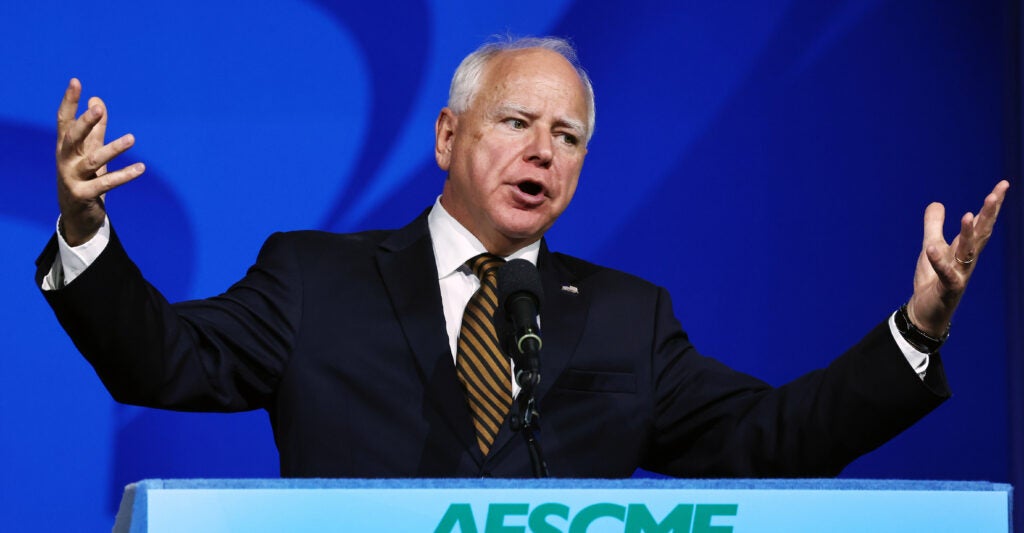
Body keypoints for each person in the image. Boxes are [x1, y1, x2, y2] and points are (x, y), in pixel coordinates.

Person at [38, 37, 1009, 478]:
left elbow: (771, 438)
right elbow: (157, 357)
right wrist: (85, 231)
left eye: (569, 134)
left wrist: (914, 331)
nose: (543, 149)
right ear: (448, 134)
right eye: (516, 121)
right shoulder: (312, 277)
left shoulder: (628, 316)